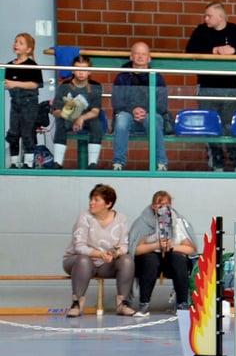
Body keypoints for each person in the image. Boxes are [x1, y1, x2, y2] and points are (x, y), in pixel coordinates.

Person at [185, 1, 236, 172]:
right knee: (211, 128)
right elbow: (190, 51)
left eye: (209, 15)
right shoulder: (201, 31)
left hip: (231, 87)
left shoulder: (235, 30)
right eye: (205, 15)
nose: (205, 18)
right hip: (207, 86)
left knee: (232, 127)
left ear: (220, 17)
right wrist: (215, 50)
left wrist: (233, 51)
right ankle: (217, 164)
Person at [62, 184, 136, 317]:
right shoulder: (84, 217)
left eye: (96, 200)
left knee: (127, 260)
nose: (91, 203)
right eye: (91, 199)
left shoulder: (121, 219)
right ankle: (76, 304)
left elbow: (124, 246)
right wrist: (100, 254)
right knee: (83, 260)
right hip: (78, 262)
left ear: (108, 203)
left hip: (106, 262)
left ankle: (122, 304)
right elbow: (79, 246)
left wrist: (112, 255)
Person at [127, 191, 198, 316]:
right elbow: (135, 249)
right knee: (151, 261)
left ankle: (182, 303)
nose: (162, 208)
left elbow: (191, 249)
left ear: (170, 205)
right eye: (159, 205)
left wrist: (171, 246)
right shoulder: (143, 222)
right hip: (148, 260)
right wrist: (156, 245)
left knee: (179, 259)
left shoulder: (178, 222)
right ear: (152, 206)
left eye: (166, 204)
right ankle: (144, 303)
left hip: (169, 258)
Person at [112, 42, 170, 172]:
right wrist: (132, 110)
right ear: (131, 57)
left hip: (151, 116)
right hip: (128, 117)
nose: (140, 57)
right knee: (121, 119)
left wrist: (146, 112)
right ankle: (118, 163)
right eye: (137, 53)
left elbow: (162, 105)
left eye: (143, 54)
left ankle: (161, 163)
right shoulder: (122, 77)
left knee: (152, 119)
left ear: (149, 58)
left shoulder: (157, 77)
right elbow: (117, 102)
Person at [50, 55, 103, 170]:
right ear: (73, 70)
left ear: (90, 71)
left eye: (84, 69)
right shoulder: (64, 86)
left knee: (97, 123)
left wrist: (81, 118)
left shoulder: (95, 86)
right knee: (60, 123)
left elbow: (95, 111)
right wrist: (67, 115)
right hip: (67, 117)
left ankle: (92, 164)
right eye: (78, 69)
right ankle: (57, 163)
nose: (81, 72)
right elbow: (56, 110)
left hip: (87, 118)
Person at [5, 32, 42, 169]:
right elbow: (5, 82)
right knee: (13, 132)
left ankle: (28, 161)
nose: (16, 45)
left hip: (29, 103)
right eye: (15, 42)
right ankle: (14, 161)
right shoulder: (10, 65)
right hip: (15, 103)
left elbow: (35, 84)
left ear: (29, 49)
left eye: (20, 43)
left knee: (27, 132)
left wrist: (15, 84)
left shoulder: (32, 65)